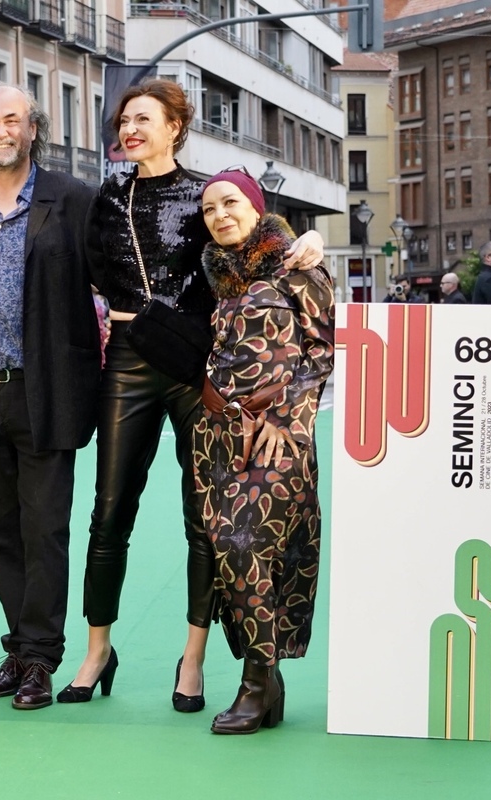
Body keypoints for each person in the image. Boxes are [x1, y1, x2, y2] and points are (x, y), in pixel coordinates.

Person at [63, 78, 324, 712]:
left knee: (204, 517)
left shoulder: (209, 194)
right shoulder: (108, 198)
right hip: (127, 357)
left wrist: (308, 246)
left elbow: (259, 246)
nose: (129, 129)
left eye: (143, 118)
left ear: (175, 126)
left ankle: (195, 656)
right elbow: (96, 274)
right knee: (108, 510)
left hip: (200, 366)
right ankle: (97, 650)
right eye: (123, 120)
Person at [0, 84, 102, 711]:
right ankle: (21, 646)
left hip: (48, 390)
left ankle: (39, 657)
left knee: (45, 527)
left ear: (34, 128)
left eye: (12, 119)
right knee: (0, 530)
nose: (0, 130)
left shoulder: (73, 199)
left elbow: (126, 269)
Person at [193, 169, 334, 734]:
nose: (220, 215)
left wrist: (286, 417)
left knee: (245, 542)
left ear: (257, 208)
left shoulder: (299, 268)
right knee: (230, 558)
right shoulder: (220, 277)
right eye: (209, 210)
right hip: (216, 434)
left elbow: (322, 353)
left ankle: (259, 682)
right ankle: (264, 681)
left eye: (231, 204)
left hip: (278, 434)